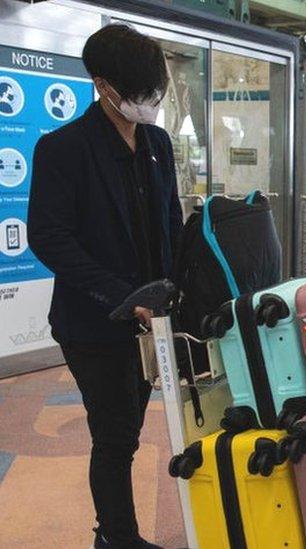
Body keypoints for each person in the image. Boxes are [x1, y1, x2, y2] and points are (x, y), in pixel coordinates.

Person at [27, 25, 180, 549]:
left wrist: (176, 288)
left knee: (128, 430)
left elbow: (171, 225)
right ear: (102, 85)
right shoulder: (63, 148)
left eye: (154, 89)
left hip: (153, 319)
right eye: (139, 91)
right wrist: (122, 296)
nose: (150, 101)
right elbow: (50, 238)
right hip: (93, 322)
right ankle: (116, 537)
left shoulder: (158, 144)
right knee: (114, 436)